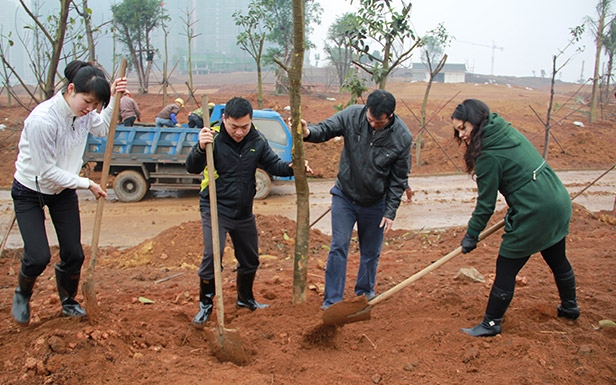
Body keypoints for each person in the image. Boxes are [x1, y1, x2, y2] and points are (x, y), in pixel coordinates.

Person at [11, 60, 126, 325]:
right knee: (37, 256)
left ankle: (68, 301)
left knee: (74, 253)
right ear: (71, 89)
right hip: (31, 189)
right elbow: (46, 172)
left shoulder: (85, 115)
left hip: (62, 191)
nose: (90, 110)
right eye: (87, 102)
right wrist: (87, 183)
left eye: (96, 106)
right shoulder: (43, 121)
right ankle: (21, 295)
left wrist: (114, 102)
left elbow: (101, 128)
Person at [452, 99, 579, 337]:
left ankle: (491, 323)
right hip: (556, 199)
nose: (461, 135)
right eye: (457, 129)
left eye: (463, 128)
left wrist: (471, 234)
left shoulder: (487, 154)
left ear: (476, 123)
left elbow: (486, 204)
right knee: (556, 256)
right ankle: (570, 307)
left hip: (537, 209)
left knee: (506, 265)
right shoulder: (505, 131)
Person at [185, 97, 312, 327]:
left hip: (243, 210)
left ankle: (245, 299)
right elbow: (191, 167)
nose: (240, 132)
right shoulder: (212, 137)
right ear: (224, 120)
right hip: (216, 208)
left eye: (244, 126)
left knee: (250, 259)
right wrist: (200, 147)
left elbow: (274, 165)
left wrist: (295, 167)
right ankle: (206, 305)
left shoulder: (257, 140)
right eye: (234, 127)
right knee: (212, 256)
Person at [301, 89, 413, 309]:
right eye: (370, 119)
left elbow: (399, 179)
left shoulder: (402, 137)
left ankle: (364, 293)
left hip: (375, 202)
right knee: (338, 246)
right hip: (345, 195)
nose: (372, 124)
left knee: (371, 251)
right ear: (366, 110)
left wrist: (390, 212)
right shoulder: (353, 115)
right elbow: (326, 129)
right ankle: (332, 301)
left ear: (390, 116)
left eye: (378, 122)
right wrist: (307, 132)